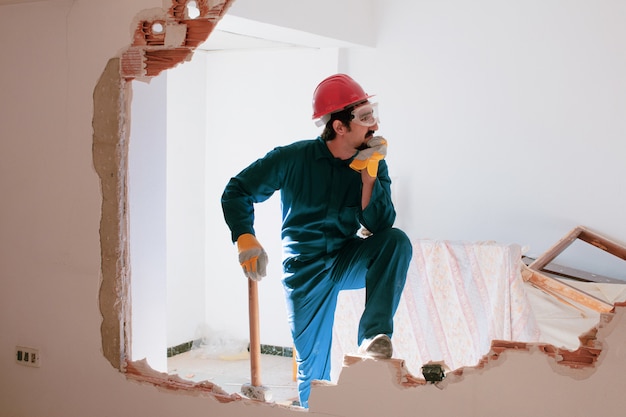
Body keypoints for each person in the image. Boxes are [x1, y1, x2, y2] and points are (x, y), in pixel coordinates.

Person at [221, 73, 412, 408]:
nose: (374, 125)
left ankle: (374, 338)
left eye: (373, 114)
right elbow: (237, 190)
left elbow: (381, 226)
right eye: (365, 117)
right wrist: (245, 236)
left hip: (345, 258)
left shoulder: (372, 161)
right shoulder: (293, 159)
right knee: (313, 373)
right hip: (304, 271)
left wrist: (369, 178)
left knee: (396, 241)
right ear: (339, 126)